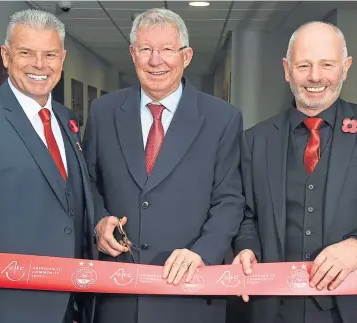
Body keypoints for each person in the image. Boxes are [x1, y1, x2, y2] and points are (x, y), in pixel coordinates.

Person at [231, 21, 357, 323]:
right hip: (275, 308)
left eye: (327, 64)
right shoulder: (255, 140)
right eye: (303, 65)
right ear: (286, 70)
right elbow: (246, 215)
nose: (315, 77)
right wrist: (246, 247)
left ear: (345, 67)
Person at [83, 8, 244, 323]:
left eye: (168, 50)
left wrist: (203, 252)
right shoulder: (104, 112)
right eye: (146, 49)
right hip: (118, 295)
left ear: (186, 56)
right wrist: (99, 221)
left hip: (190, 292)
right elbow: (88, 183)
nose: (156, 60)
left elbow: (230, 199)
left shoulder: (222, 118)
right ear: (133, 54)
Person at [0, 9, 94, 323]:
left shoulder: (66, 120)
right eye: (26, 53)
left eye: (49, 54)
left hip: (71, 305)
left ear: (62, 59)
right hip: (10, 310)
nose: (40, 64)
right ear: (6, 56)